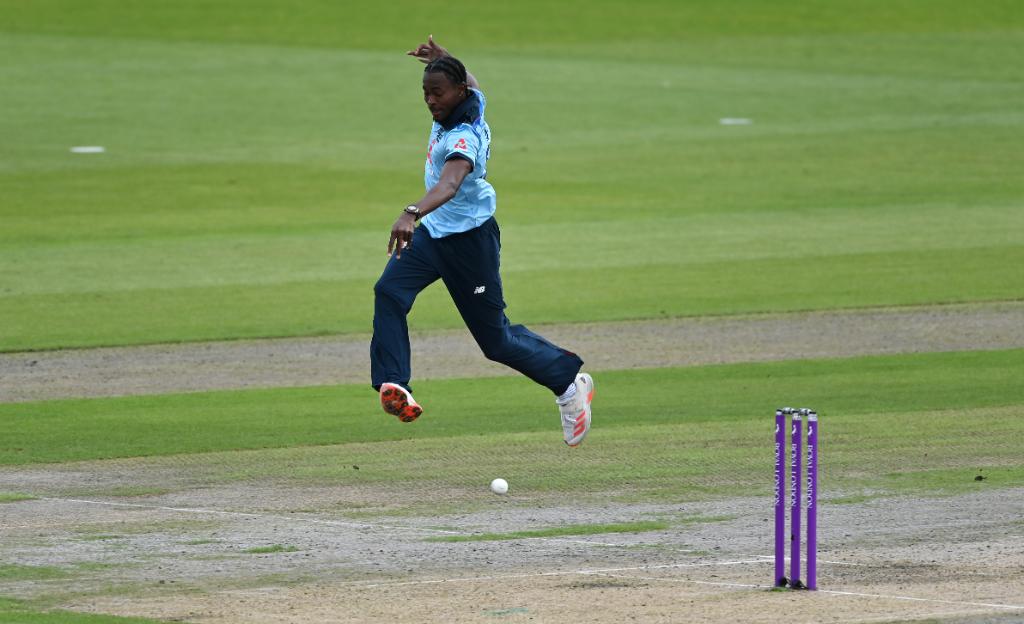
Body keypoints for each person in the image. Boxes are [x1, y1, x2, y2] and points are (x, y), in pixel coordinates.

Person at [369, 35, 594, 447]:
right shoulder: (471, 98)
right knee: (389, 291)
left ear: (457, 93)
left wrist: (412, 212)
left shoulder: (463, 138)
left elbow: (451, 183)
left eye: (437, 93)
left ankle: (568, 383)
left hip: (470, 243)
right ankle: (394, 384)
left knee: (495, 341)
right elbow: (472, 79)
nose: (430, 101)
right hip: (435, 236)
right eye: (425, 93)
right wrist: (444, 58)